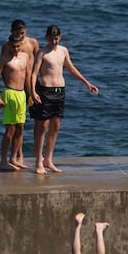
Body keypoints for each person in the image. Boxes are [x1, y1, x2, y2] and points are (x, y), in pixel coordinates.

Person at [31, 25, 99, 174]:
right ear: (46, 37)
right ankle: (38, 161)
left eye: (56, 38)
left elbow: (71, 69)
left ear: (60, 37)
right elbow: (34, 73)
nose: (54, 41)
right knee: (42, 127)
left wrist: (87, 83)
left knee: (56, 126)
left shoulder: (63, 51)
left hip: (60, 91)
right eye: (51, 39)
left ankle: (48, 159)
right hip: (45, 91)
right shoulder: (42, 52)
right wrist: (33, 92)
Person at [2, 20, 40, 169]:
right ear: (11, 32)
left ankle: (20, 154)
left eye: (23, 33)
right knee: (13, 125)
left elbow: (38, 62)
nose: (21, 36)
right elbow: (5, 69)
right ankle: (17, 154)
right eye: (18, 34)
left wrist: (33, 91)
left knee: (24, 124)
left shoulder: (32, 43)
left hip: (30, 83)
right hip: (14, 87)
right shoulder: (8, 46)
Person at [0, 34, 31, 171]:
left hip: (22, 94)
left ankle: (13, 158)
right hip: (10, 93)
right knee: (10, 129)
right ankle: (3, 161)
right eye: (13, 47)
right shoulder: (4, 59)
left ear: (21, 44)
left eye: (18, 46)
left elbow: (26, 77)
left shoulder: (25, 57)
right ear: (9, 45)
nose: (15, 49)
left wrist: (31, 94)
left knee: (21, 127)